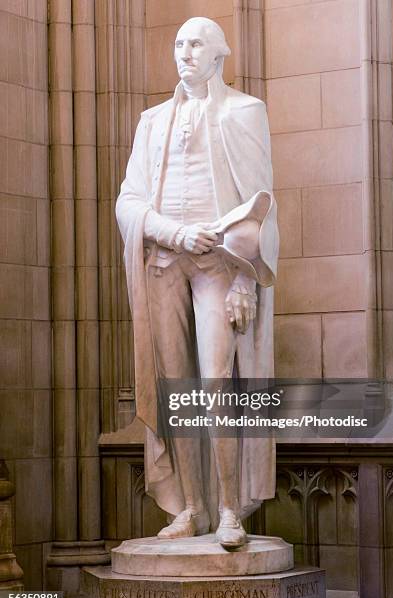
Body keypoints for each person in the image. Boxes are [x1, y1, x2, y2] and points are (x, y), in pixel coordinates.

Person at [116, 17, 279, 548]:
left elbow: (260, 203)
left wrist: (245, 283)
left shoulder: (244, 111)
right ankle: (191, 507)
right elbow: (129, 201)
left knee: (214, 383)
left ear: (219, 55)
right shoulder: (151, 120)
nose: (185, 53)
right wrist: (174, 232)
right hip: (166, 259)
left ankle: (230, 509)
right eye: (179, 44)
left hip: (220, 265)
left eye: (197, 44)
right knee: (175, 389)